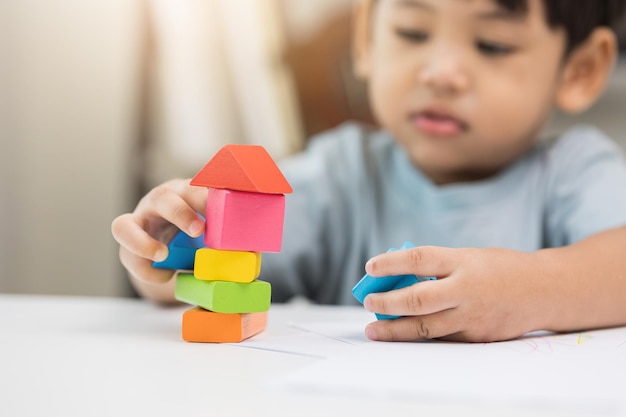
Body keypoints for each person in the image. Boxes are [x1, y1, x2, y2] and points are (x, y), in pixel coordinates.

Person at [112, 0, 626, 343]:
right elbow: (223, 271)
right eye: (412, 31)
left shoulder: (574, 171)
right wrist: (170, 244)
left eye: (492, 45)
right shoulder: (341, 173)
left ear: (580, 69)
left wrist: (528, 291)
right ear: (367, 39)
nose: (439, 72)